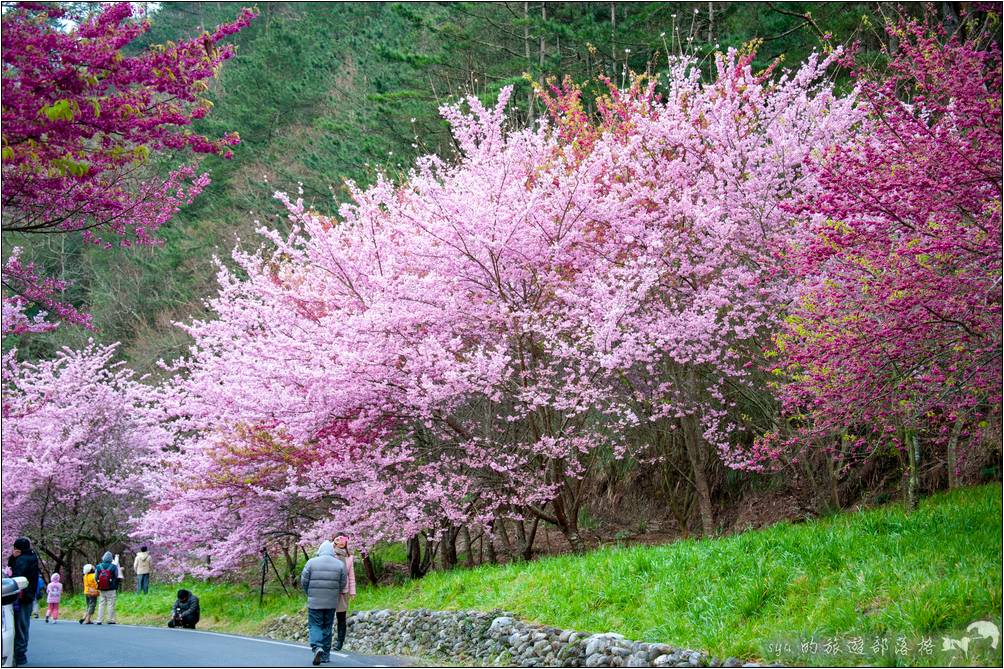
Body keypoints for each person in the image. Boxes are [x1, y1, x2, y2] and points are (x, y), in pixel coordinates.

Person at [301, 540, 347, 666]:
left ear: (320, 551)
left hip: (314, 601)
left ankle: (317, 647)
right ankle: (326, 655)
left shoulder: (311, 562)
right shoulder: (339, 565)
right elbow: (343, 583)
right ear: (332, 551)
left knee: (315, 625)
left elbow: (304, 581)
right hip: (331, 601)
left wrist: (309, 593)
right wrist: (335, 593)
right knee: (327, 627)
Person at [7, 537, 40, 666]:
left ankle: (19, 655)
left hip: (21, 597)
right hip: (29, 596)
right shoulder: (32, 556)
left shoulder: (22, 560)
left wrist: (13, 558)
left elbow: (14, 576)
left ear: (18, 549)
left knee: (19, 626)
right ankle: (20, 654)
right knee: (23, 625)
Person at [332, 535, 356, 652]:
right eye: (338, 539)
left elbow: (351, 576)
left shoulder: (349, 557)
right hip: (331, 590)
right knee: (328, 616)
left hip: (343, 591)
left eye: (344, 540)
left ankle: (339, 642)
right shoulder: (330, 554)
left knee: (341, 617)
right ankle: (327, 641)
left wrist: (352, 591)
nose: (341, 542)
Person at [94, 551, 120, 624]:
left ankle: (99, 620)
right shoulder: (114, 567)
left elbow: (95, 577)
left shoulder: (98, 566)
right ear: (111, 559)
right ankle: (110, 619)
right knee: (110, 604)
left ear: (103, 558)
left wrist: (100, 583)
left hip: (102, 588)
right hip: (111, 588)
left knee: (101, 604)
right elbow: (116, 576)